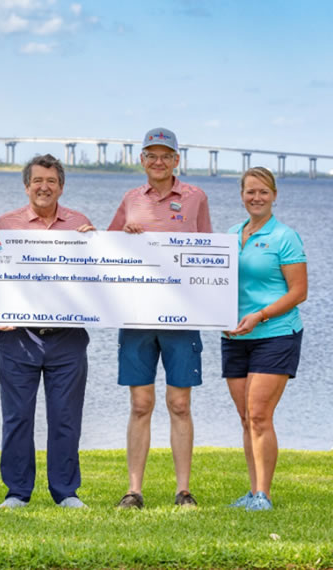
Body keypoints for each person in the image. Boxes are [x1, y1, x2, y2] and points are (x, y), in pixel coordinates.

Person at [108, 128, 212, 509]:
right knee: (140, 403)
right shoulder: (130, 199)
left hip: (181, 317)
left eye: (165, 155)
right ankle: (133, 490)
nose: (158, 161)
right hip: (136, 316)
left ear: (177, 160)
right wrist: (124, 233)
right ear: (142, 160)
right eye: (151, 155)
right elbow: (108, 249)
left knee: (180, 404)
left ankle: (183, 490)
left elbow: (208, 252)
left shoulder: (196, 197)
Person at [0, 154, 95, 509]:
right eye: (37, 180)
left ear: (61, 187)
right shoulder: (5, 225)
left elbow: (97, 281)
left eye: (51, 181)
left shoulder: (81, 224)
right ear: (26, 186)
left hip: (67, 338)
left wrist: (98, 246)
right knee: (17, 416)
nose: (44, 187)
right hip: (17, 336)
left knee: (65, 417)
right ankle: (17, 492)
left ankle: (66, 491)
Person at [223, 166, 308, 512]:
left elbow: (299, 291)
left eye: (263, 192)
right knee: (246, 417)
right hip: (235, 337)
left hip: (275, 334)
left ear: (274, 195)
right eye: (250, 192)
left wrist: (260, 315)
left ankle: (265, 495)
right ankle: (252, 491)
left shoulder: (286, 237)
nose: (256, 198)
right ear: (241, 195)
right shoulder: (232, 234)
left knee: (259, 415)